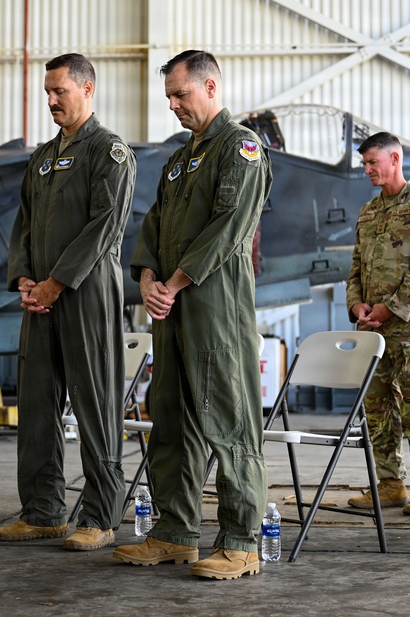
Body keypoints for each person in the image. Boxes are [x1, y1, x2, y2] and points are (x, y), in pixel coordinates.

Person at [112, 50, 272, 580]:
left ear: (210, 86)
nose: (174, 106)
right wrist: (147, 280)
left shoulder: (241, 147)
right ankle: (176, 532)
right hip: (171, 308)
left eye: (181, 94)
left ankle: (241, 541)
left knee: (229, 420)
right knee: (172, 422)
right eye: (169, 98)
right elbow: (152, 226)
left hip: (215, 309)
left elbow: (229, 226)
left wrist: (174, 284)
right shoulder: (181, 159)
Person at [0, 53, 136, 552]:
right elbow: (24, 223)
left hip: (86, 292)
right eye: (48, 92)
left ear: (88, 89)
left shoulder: (109, 151)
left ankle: (100, 516)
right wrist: (26, 279)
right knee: (35, 403)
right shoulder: (43, 156)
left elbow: (106, 226)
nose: (52, 100)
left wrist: (57, 282)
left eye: (61, 91)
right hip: (42, 299)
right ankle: (42, 511)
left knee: (95, 404)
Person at [344, 132, 410, 517]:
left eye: (373, 162)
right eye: (365, 164)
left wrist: (390, 308)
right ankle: (390, 485)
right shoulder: (368, 212)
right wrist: (356, 304)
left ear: (395, 159)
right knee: (378, 410)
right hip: (372, 329)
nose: (368, 170)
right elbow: (355, 266)